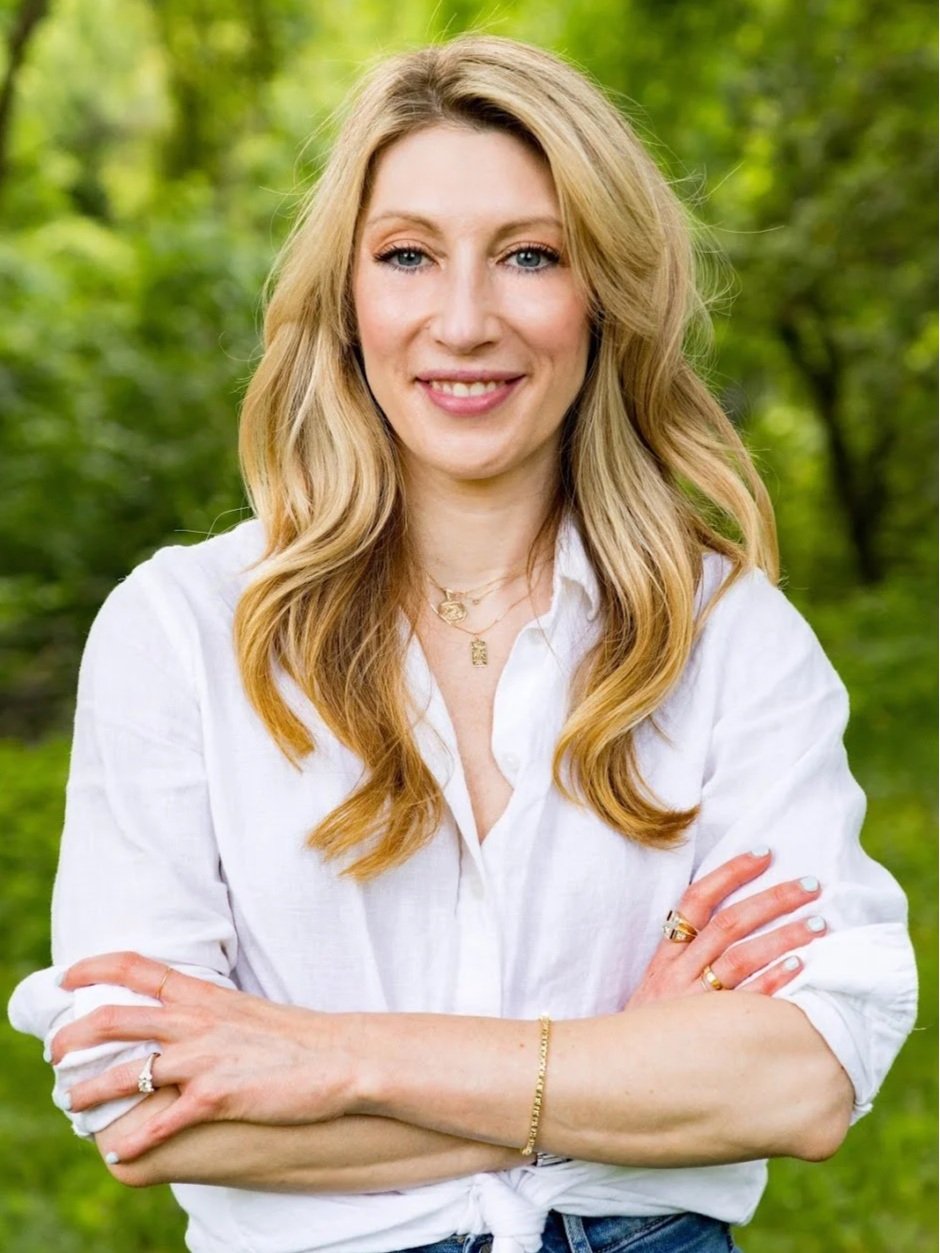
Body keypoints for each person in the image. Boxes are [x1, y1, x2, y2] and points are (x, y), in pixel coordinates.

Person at [8, 34, 916, 1253]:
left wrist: (328, 1057)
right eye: (407, 256)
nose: (465, 319)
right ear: (347, 295)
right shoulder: (181, 630)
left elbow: (803, 1078)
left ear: (604, 296)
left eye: (530, 255)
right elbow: (144, 1101)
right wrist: (617, 1078)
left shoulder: (730, 634)